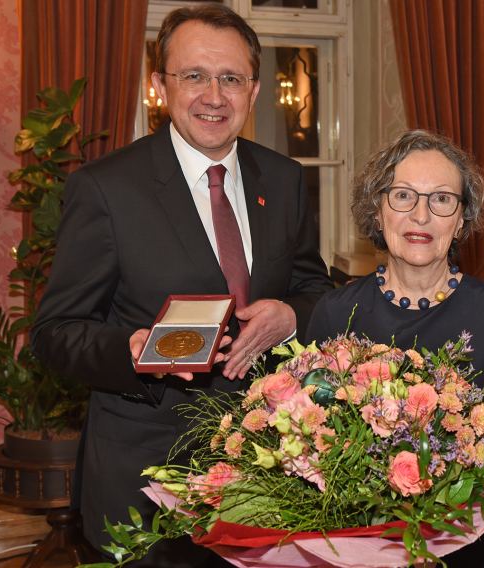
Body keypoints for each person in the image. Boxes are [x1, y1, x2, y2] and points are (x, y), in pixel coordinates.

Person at [31, 5, 332, 565]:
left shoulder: (285, 179)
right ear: (159, 86)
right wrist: (129, 351)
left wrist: (291, 316)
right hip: (144, 481)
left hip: (268, 472)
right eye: (193, 76)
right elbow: (54, 334)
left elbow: (315, 288)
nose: (213, 96)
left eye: (231, 78)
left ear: (255, 88)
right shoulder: (106, 189)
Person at [306, 130, 484, 567]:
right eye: (403, 196)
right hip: (355, 543)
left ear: (461, 220)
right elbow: (311, 447)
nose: (421, 215)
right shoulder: (334, 312)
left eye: (442, 199)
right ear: (378, 209)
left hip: (466, 543)